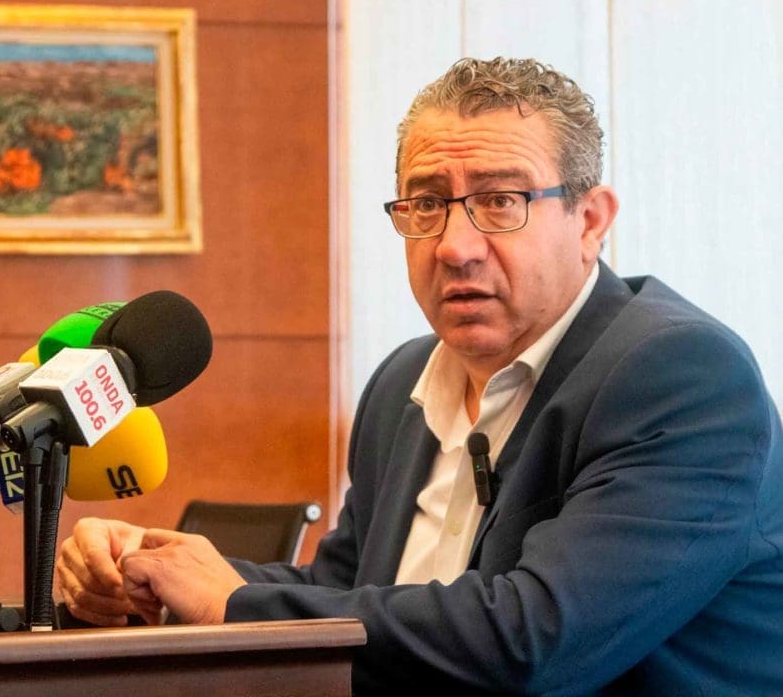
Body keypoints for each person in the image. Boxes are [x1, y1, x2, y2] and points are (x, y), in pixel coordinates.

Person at [55, 57, 783, 694]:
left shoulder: (682, 377)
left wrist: (234, 605)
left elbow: (535, 640)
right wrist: (161, 576)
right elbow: (347, 592)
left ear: (590, 221)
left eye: (500, 201)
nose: (455, 246)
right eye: (428, 204)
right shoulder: (404, 380)